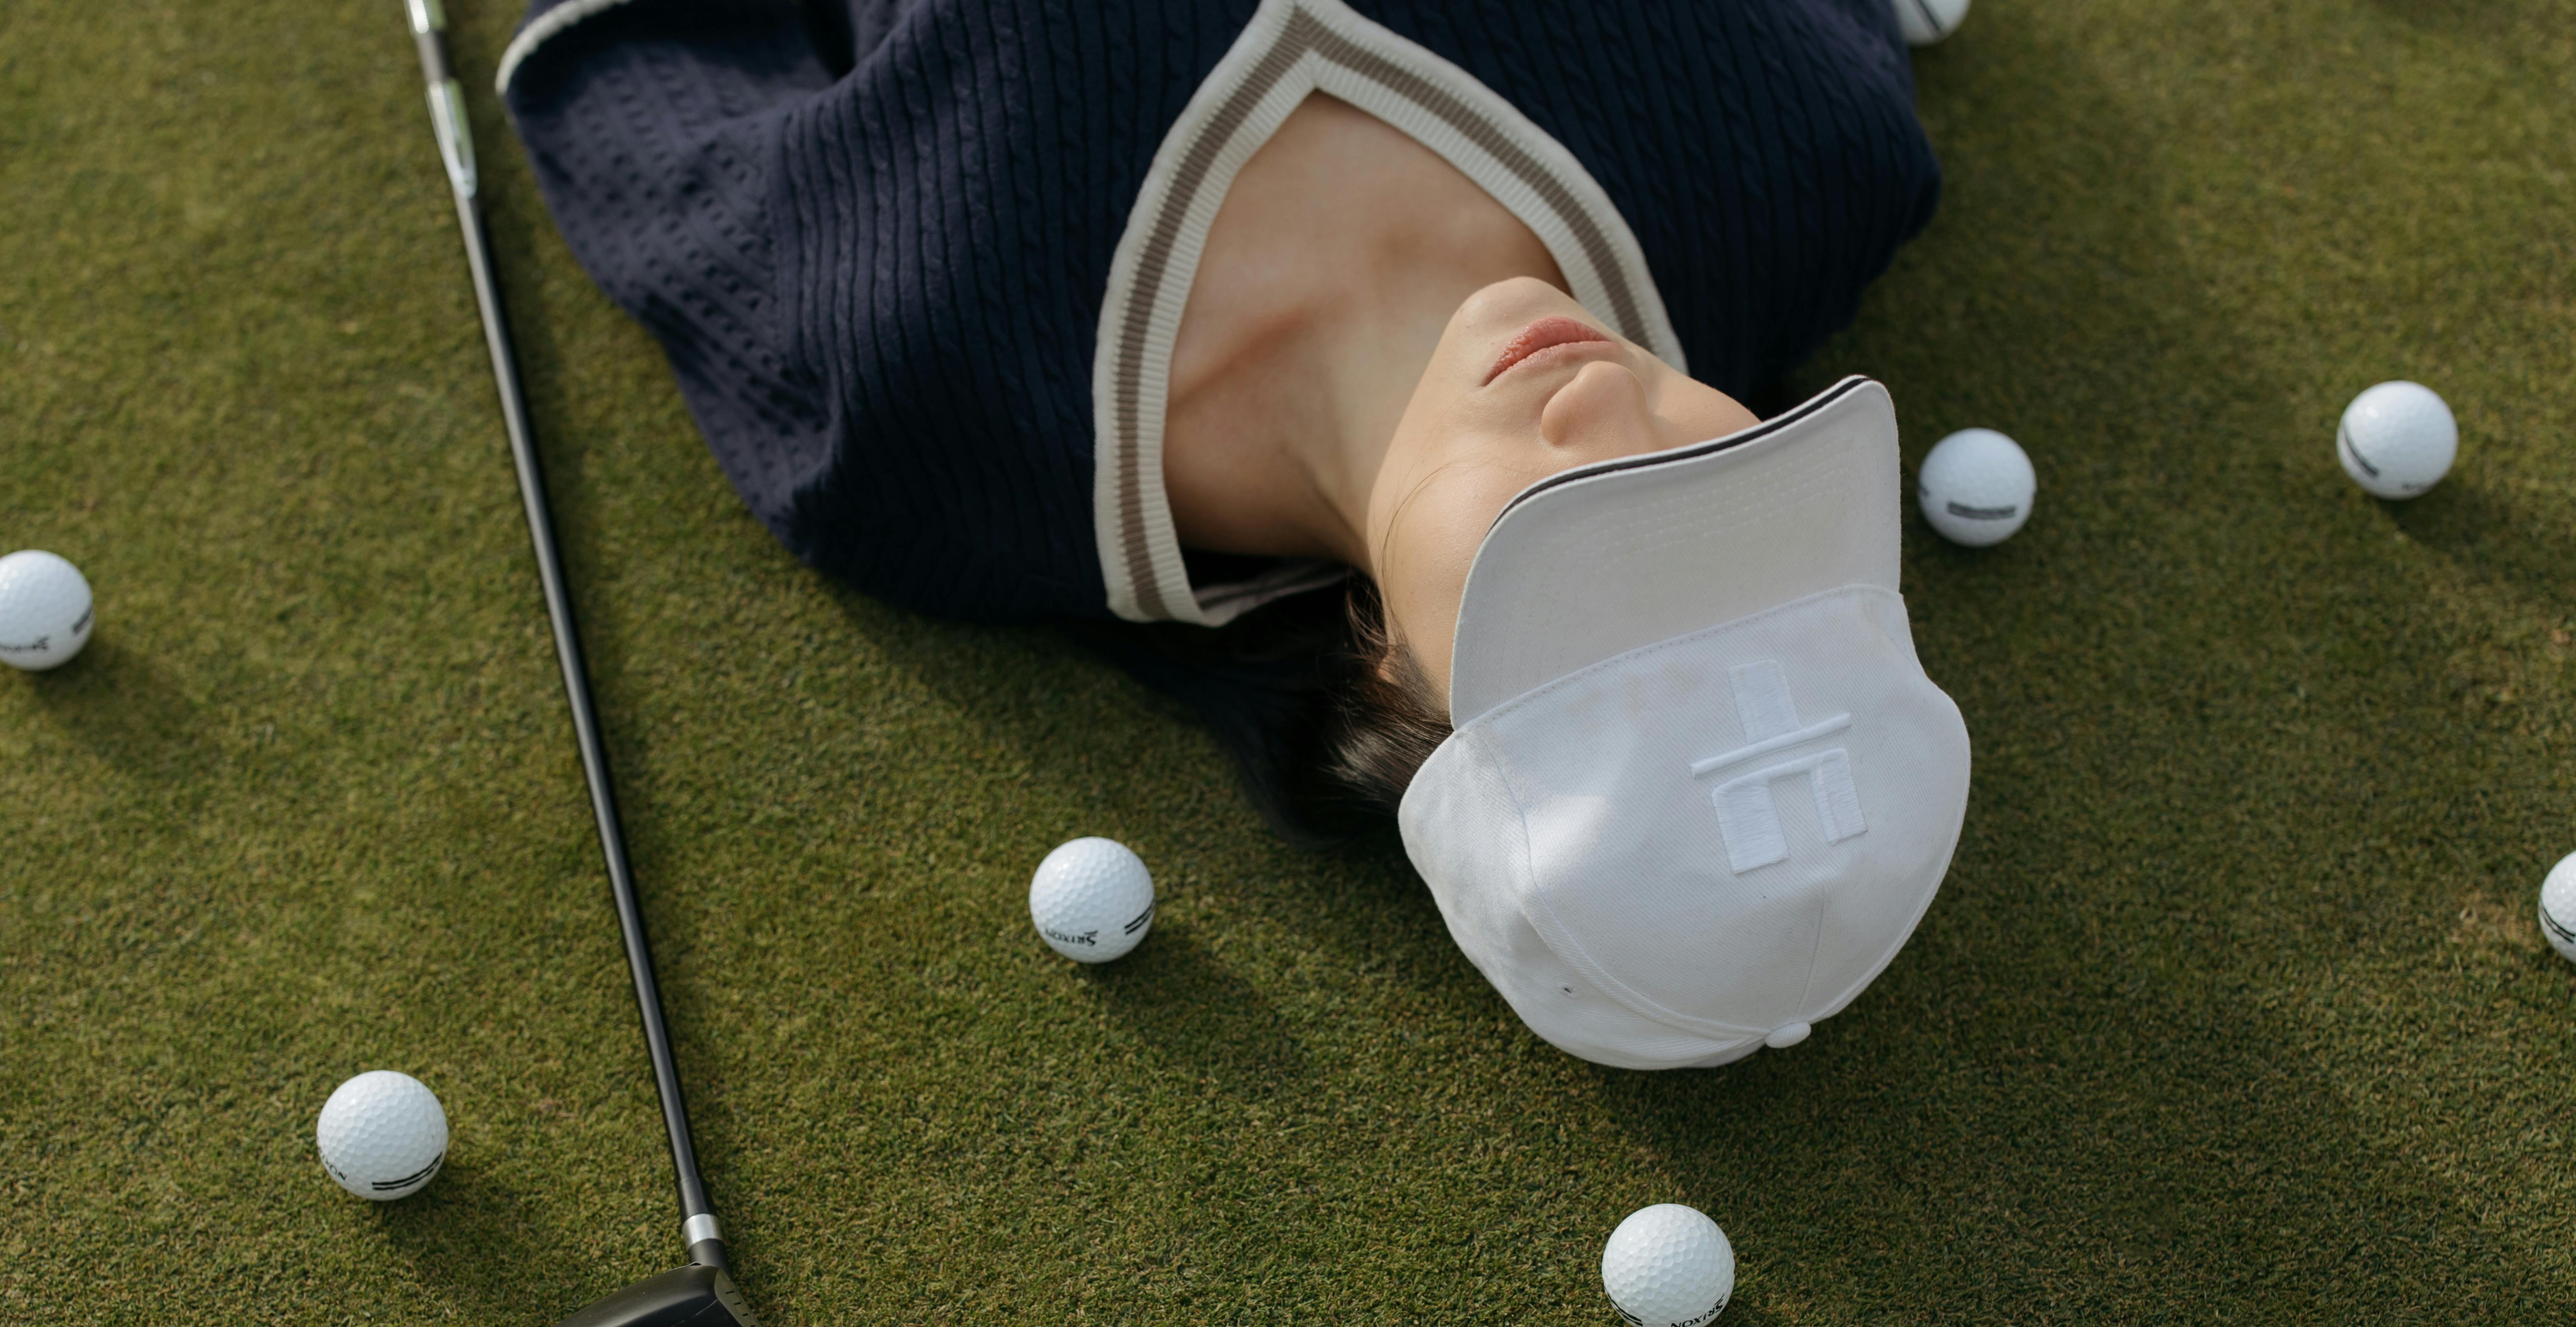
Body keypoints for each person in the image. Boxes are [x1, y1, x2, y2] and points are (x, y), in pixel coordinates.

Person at [499, 0, 1973, 1068]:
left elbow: (634, 75)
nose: (1609, 422)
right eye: (1729, 488)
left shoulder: (914, 418)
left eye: (1575, 541)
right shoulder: (1801, 149)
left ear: (1400, 691)